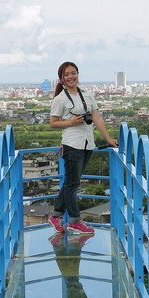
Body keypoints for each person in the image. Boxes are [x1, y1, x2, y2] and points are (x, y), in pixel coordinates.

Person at [49, 61, 117, 235]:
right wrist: (70, 122)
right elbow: (53, 123)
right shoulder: (60, 99)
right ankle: (74, 221)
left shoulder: (87, 94)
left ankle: (55, 216)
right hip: (72, 144)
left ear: (78, 74)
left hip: (87, 144)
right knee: (72, 184)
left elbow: (97, 118)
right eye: (66, 75)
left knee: (71, 183)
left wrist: (108, 138)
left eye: (73, 73)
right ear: (62, 79)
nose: (71, 77)